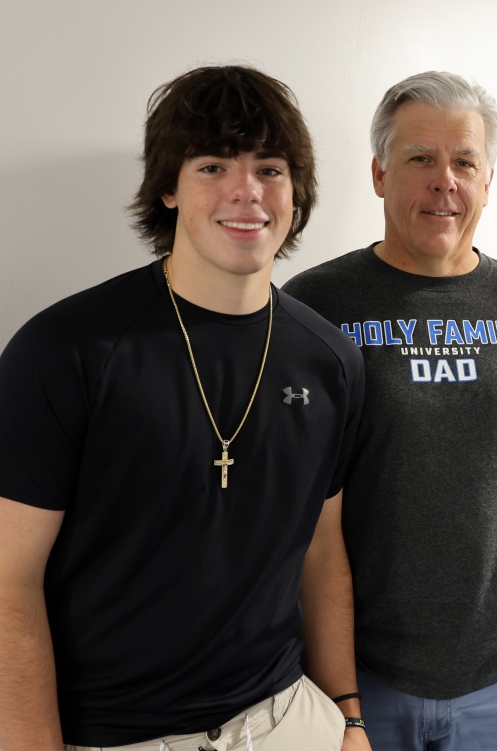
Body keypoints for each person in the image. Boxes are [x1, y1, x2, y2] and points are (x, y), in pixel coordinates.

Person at [0, 65, 372, 751]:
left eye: (270, 168)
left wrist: (347, 716)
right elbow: (8, 582)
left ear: (296, 192)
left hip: (287, 719)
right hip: (119, 735)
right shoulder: (64, 351)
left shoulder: (333, 361)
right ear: (167, 187)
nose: (247, 192)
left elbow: (322, 549)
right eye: (213, 165)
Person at [284, 71, 497, 751]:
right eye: (420, 158)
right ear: (379, 173)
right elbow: (292, 504)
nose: (443, 180)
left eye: (464, 162)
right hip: (359, 679)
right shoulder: (312, 306)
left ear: (487, 182)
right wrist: (338, 694)